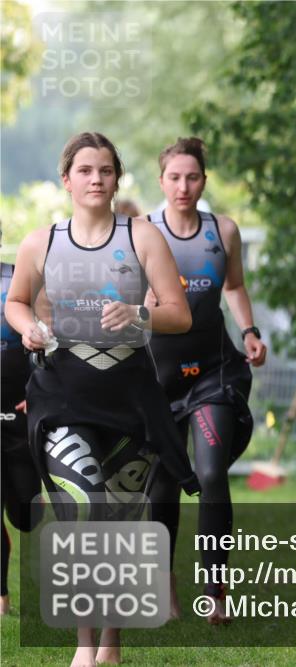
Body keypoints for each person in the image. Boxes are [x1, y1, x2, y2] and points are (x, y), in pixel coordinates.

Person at [4, 131, 198, 667]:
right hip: (62, 397)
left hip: (132, 400)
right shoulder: (40, 241)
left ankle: (110, 646)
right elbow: (16, 302)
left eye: (106, 170)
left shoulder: (142, 236)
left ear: (117, 178)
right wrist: (30, 328)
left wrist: (140, 315)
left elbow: (178, 313)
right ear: (66, 180)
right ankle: (84, 649)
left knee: (117, 522)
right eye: (85, 170)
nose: (96, 179)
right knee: (86, 507)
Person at [145, 137, 265, 625]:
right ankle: (166, 584)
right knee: (162, 488)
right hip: (158, 380)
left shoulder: (224, 231)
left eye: (192, 177)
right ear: (161, 182)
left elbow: (233, 285)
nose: (183, 186)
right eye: (174, 177)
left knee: (212, 474)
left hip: (213, 373)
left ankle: (216, 591)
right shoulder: (141, 233)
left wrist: (250, 331)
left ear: (204, 181)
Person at [0, 238, 42, 616]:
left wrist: (39, 389)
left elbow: (45, 341)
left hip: (20, 410)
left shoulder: (18, 279)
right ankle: (1, 597)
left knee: (26, 515)